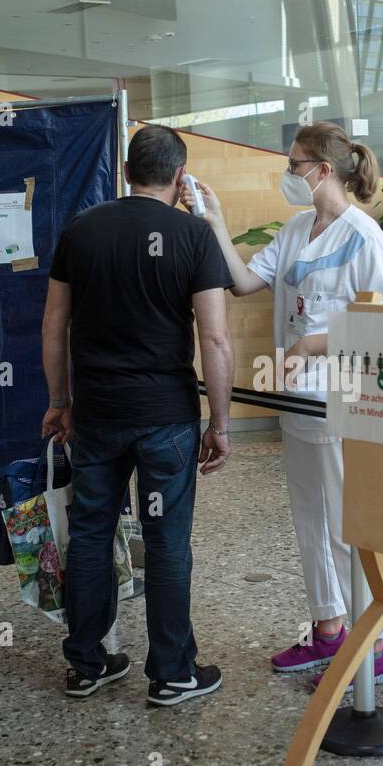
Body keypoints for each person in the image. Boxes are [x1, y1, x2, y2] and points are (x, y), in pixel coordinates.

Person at [183, 122, 383, 687]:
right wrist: (214, 222)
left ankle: (373, 643)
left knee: (343, 523)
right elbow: (241, 283)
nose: (288, 175)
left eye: (295, 165)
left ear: (324, 171)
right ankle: (329, 631)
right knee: (309, 519)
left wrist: (312, 343)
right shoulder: (299, 227)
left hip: (339, 399)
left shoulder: (363, 237)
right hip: (297, 401)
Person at [41, 124, 234, 708]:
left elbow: (55, 325)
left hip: (96, 417)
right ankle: (173, 672)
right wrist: (220, 424)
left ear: (126, 171)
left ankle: (85, 665)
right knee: (167, 541)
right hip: (166, 418)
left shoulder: (81, 230)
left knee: (91, 535)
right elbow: (216, 339)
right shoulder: (194, 236)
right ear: (181, 177)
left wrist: (58, 402)